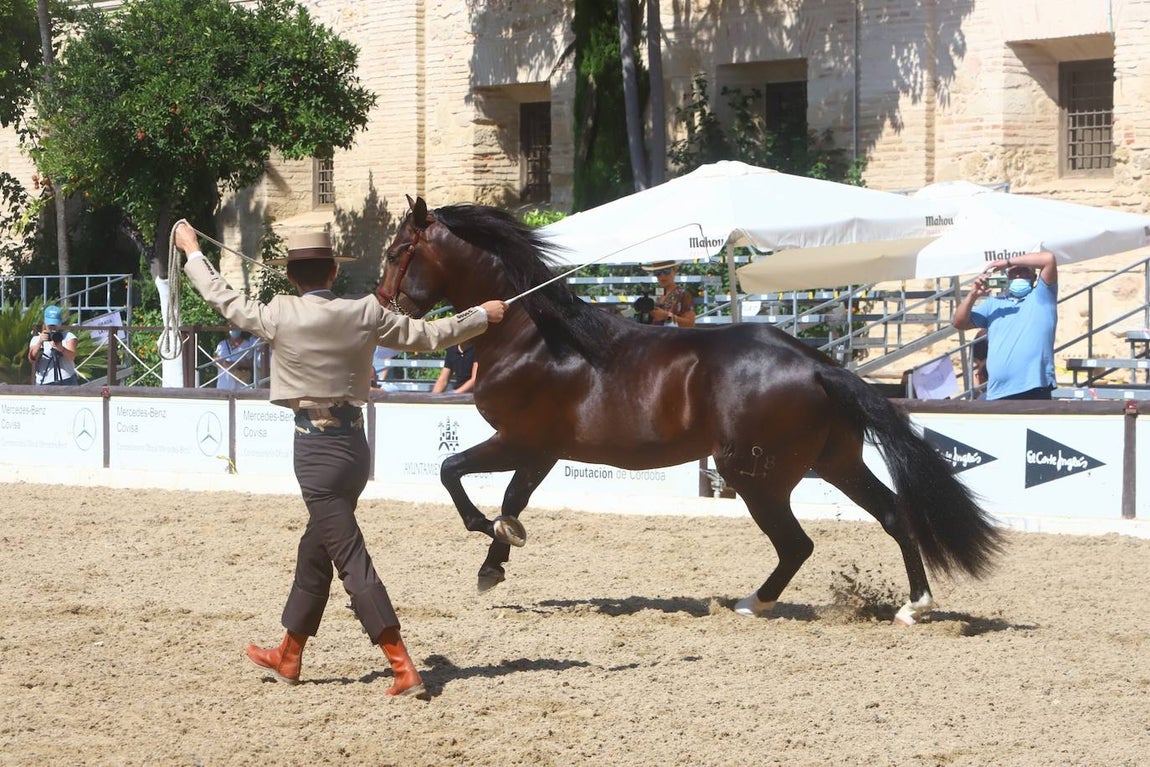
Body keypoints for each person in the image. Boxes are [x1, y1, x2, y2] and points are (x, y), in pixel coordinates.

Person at [173, 223, 507, 698]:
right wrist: (481, 315)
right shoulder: (367, 311)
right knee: (317, 549)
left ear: (292, 277)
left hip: (313, 450)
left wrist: (191, 250)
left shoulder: (278, 312)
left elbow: (221, 297)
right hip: (355, 451)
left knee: (350, 558)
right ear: (332, 270)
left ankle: (402, 665)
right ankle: (289, 654)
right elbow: (430, 336)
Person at [952, 250, 1058, 400]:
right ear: (1008, 277)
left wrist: (1007, 262)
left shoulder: (1042, 296)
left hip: (1034, 388)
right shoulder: (994, 303)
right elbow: (959, 322)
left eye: (1024, 271)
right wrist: (973, 295)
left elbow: (1049, 259)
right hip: (998, 391)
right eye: (1015, 273)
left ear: (1035, 278)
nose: (1019, 275)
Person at [28, 305, 79, 386]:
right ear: (44, 322)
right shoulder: (37, 339)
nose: (52, 328)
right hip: (44, 381)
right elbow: (32, 359)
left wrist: (61, 348)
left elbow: (72, 356)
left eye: (55, 325)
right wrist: (40, 343)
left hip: (67, 380)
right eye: (50, 325)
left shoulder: (68, 336)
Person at [641, 260, 696, 327]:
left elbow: (690, 324)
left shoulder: (683, 294)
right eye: (657, 272)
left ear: (675, 271)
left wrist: (667, 316)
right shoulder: (654, 293)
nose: (662, 276)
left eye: (667, 271)